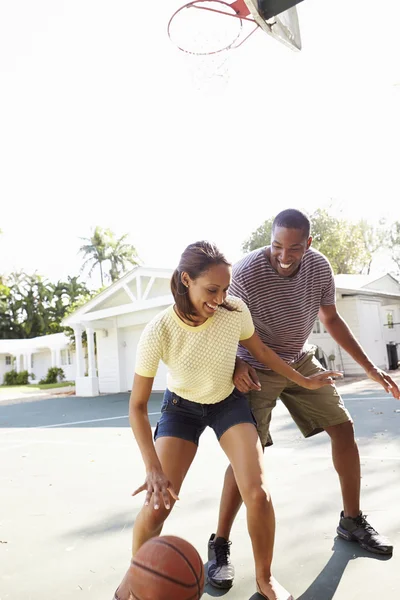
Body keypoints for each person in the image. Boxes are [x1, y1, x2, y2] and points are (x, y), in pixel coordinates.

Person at [113, 240, 341, 600]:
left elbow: (262, 351)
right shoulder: (159, 330)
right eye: (211, 289)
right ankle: (133, 578)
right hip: (181, 408)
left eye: (224, 290)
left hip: (226, 402)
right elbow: (137, 406)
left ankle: (265, 579)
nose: (219, 299)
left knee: (258, 492)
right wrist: (152, 468)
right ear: (186, 280)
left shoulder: (234, 312)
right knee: (159, 505)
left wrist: (304, 379)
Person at [207, 208, 400, 590]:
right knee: (248, 455)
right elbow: (220, 321)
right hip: (254, 366)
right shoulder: (246, 271)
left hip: (299, 357)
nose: (283, 256)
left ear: (308, 244)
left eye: (294, 248)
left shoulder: (319, 267)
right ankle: (221, 543)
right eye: (277, 245)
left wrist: (374, 369)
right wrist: (232, 366)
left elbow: (331, 320)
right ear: (271, 238)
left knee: (343, 428)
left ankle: (352, 521)